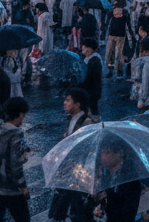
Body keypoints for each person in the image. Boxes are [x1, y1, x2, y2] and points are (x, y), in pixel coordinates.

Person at [49, 90, 99, 222]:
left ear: (77, 104)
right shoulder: (72, 119)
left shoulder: (88, 123)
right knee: (65, 207)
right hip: (69, 171)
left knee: (79, 210)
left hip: (81, 173)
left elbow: (88, 149)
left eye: (68, 100)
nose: (64, 103)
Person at [0, 97, 31, 222]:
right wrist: (23, 187)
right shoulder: (15, 133)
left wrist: (23, 148)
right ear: (21, 114)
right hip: (11, 188)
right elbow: (15, 165)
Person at [81, 37, 104, 115]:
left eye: (84, 47)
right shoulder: (87, 58)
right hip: (90, 89)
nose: (82, 48)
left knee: (92, 108)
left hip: (92, 90)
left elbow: (91, 77)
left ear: (89, 48)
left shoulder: (95, 60)